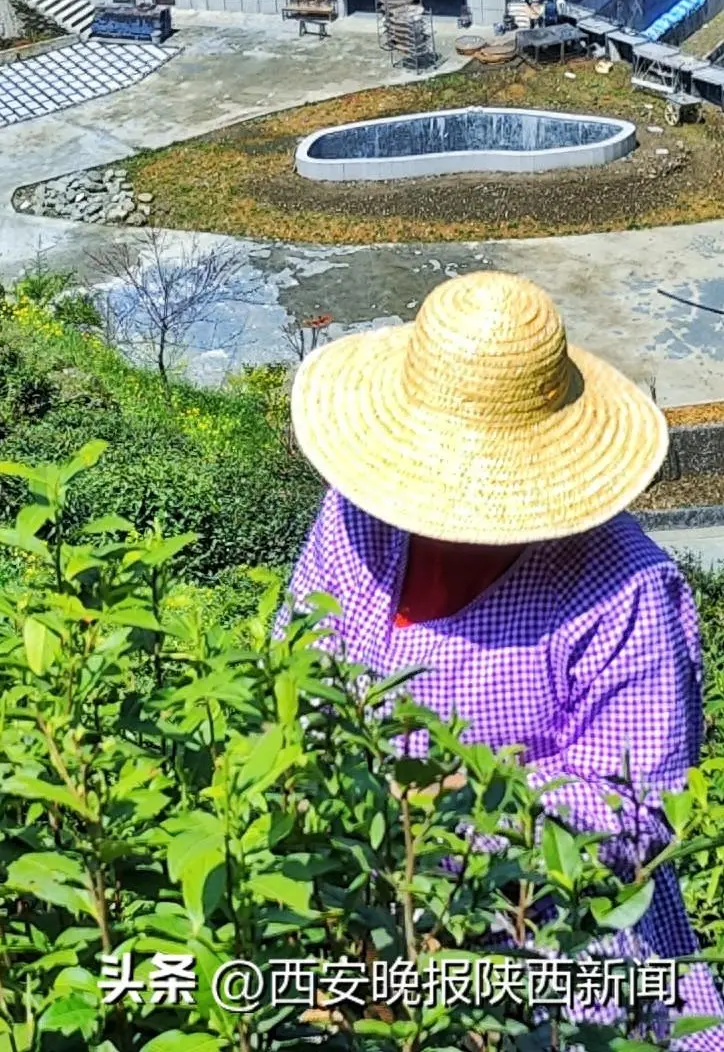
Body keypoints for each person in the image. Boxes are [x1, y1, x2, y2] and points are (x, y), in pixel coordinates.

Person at [284, 271, 724, 1046]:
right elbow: (297, 666)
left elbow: (635, 820)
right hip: (369, 924)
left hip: (561, 966)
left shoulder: (625, 591)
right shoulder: (356, 516)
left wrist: (463, 800)